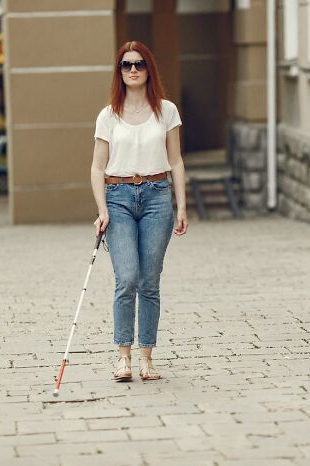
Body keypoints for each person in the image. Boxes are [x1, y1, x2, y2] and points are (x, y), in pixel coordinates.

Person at [90, 40, 188, 382]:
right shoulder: (109, 115)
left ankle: (146, 358)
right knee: (126, 277)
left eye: (139, 64)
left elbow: (175, 160)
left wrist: (181, 205)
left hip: (157, 196)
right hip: (117, 195)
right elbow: (96, 167)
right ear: (119, 71)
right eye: (126, 65)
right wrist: (102, 209)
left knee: (149, 281)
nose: (133, 70)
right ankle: (123, 357)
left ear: (149, 69)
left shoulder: (167, 110)